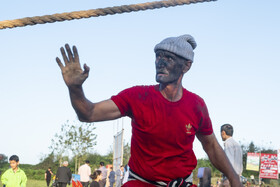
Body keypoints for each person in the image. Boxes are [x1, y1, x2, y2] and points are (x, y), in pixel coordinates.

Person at [56, 34, 242, 187]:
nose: (160, 62)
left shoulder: (196, 105)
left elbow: (211, 146)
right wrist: (75, 88)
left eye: (169, 58)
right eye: (158, 56)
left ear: (186, 66)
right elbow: (88, 113)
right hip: (140, 183)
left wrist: (234, 179)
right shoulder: (137, 96)